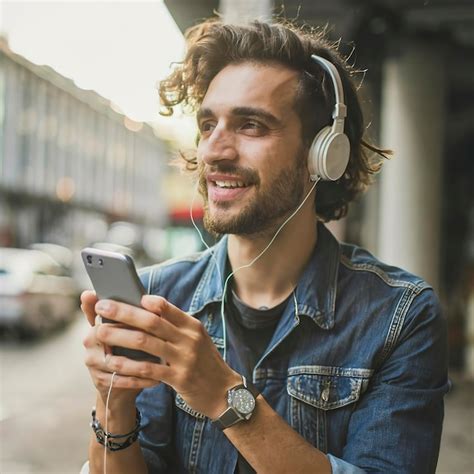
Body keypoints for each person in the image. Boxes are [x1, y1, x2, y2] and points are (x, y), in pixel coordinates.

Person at [80, 18, 449, 473]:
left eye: (250, 125)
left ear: (324, 154)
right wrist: (112, 405)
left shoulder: (399, 316)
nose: (214, 151)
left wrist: (222, 394)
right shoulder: (160, 297)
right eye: (208, 124)